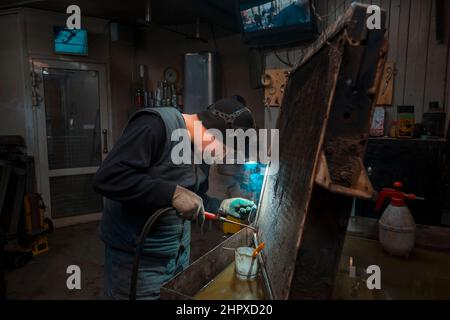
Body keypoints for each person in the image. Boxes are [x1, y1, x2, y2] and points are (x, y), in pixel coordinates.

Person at [93, 96, 257, 300]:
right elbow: (108, 177)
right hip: (137, 263)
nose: (221, 159)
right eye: (224, 151)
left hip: (177, 257)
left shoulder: (200, 152)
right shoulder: (155, 125)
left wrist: (221, 205)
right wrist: (171, 193)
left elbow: (192, 200)